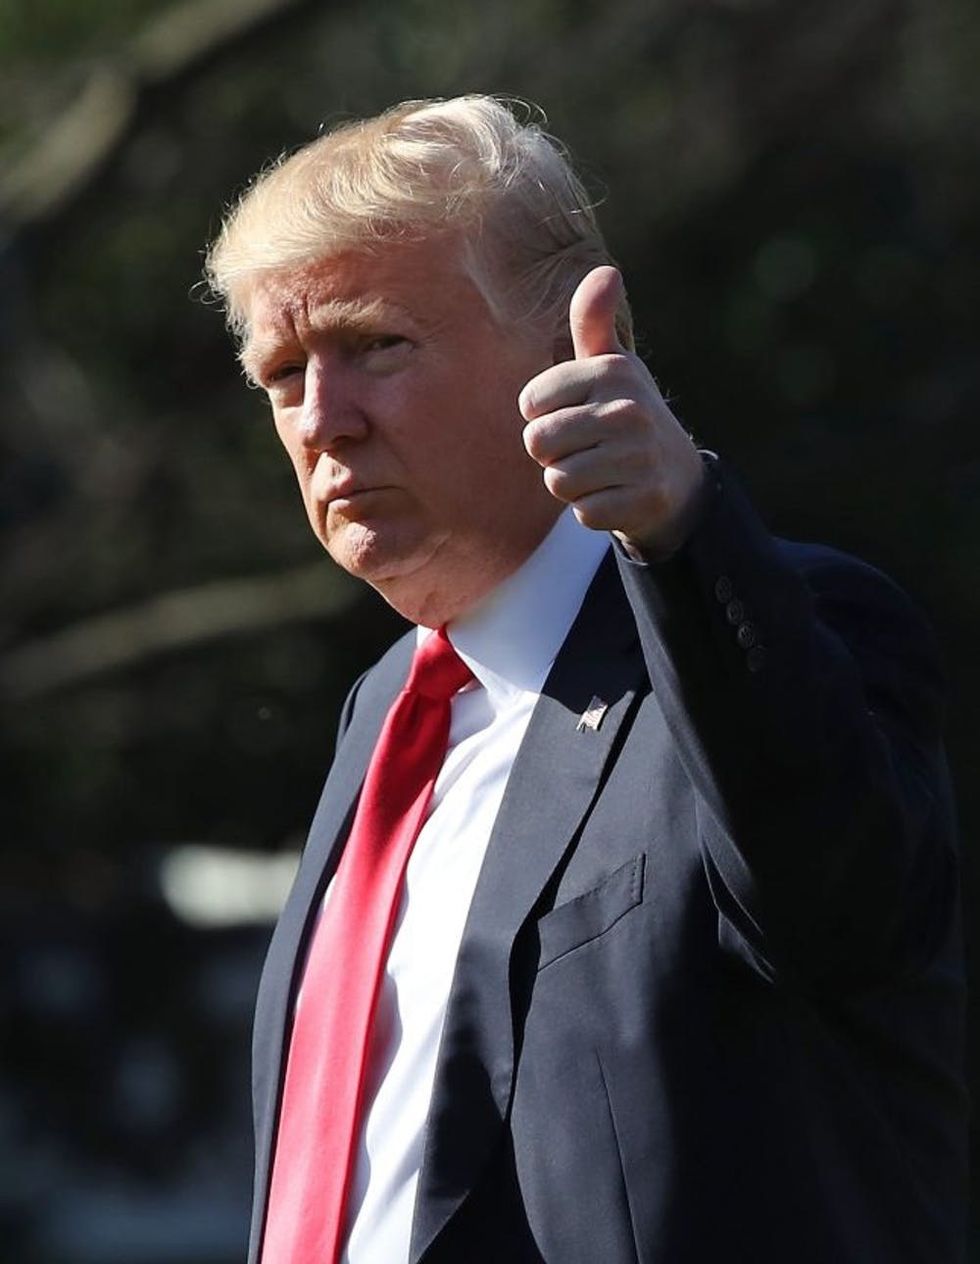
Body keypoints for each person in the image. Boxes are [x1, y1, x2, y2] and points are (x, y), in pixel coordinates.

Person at [204, 95, 967, 1264]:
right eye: (283, 371)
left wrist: (687, 535)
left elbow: (843, 907)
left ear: (564, 341)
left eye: (375, 345)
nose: (324, 420)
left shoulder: (769, 624)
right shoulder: (385, 711)